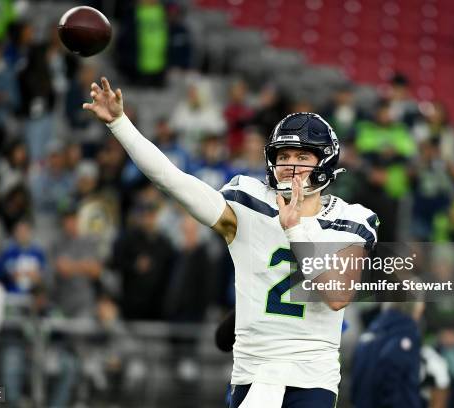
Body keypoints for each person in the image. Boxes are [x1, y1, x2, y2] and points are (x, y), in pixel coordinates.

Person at [83, 77, 378, 407]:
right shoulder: (249, 203)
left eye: (302, 157)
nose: (290, 167)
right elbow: (173, 181)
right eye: (284, 156)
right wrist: (120, 125)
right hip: (253, 374)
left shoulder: (350, 220)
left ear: (324, 162)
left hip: (311, 378)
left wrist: (295, 230)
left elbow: (337, 296)